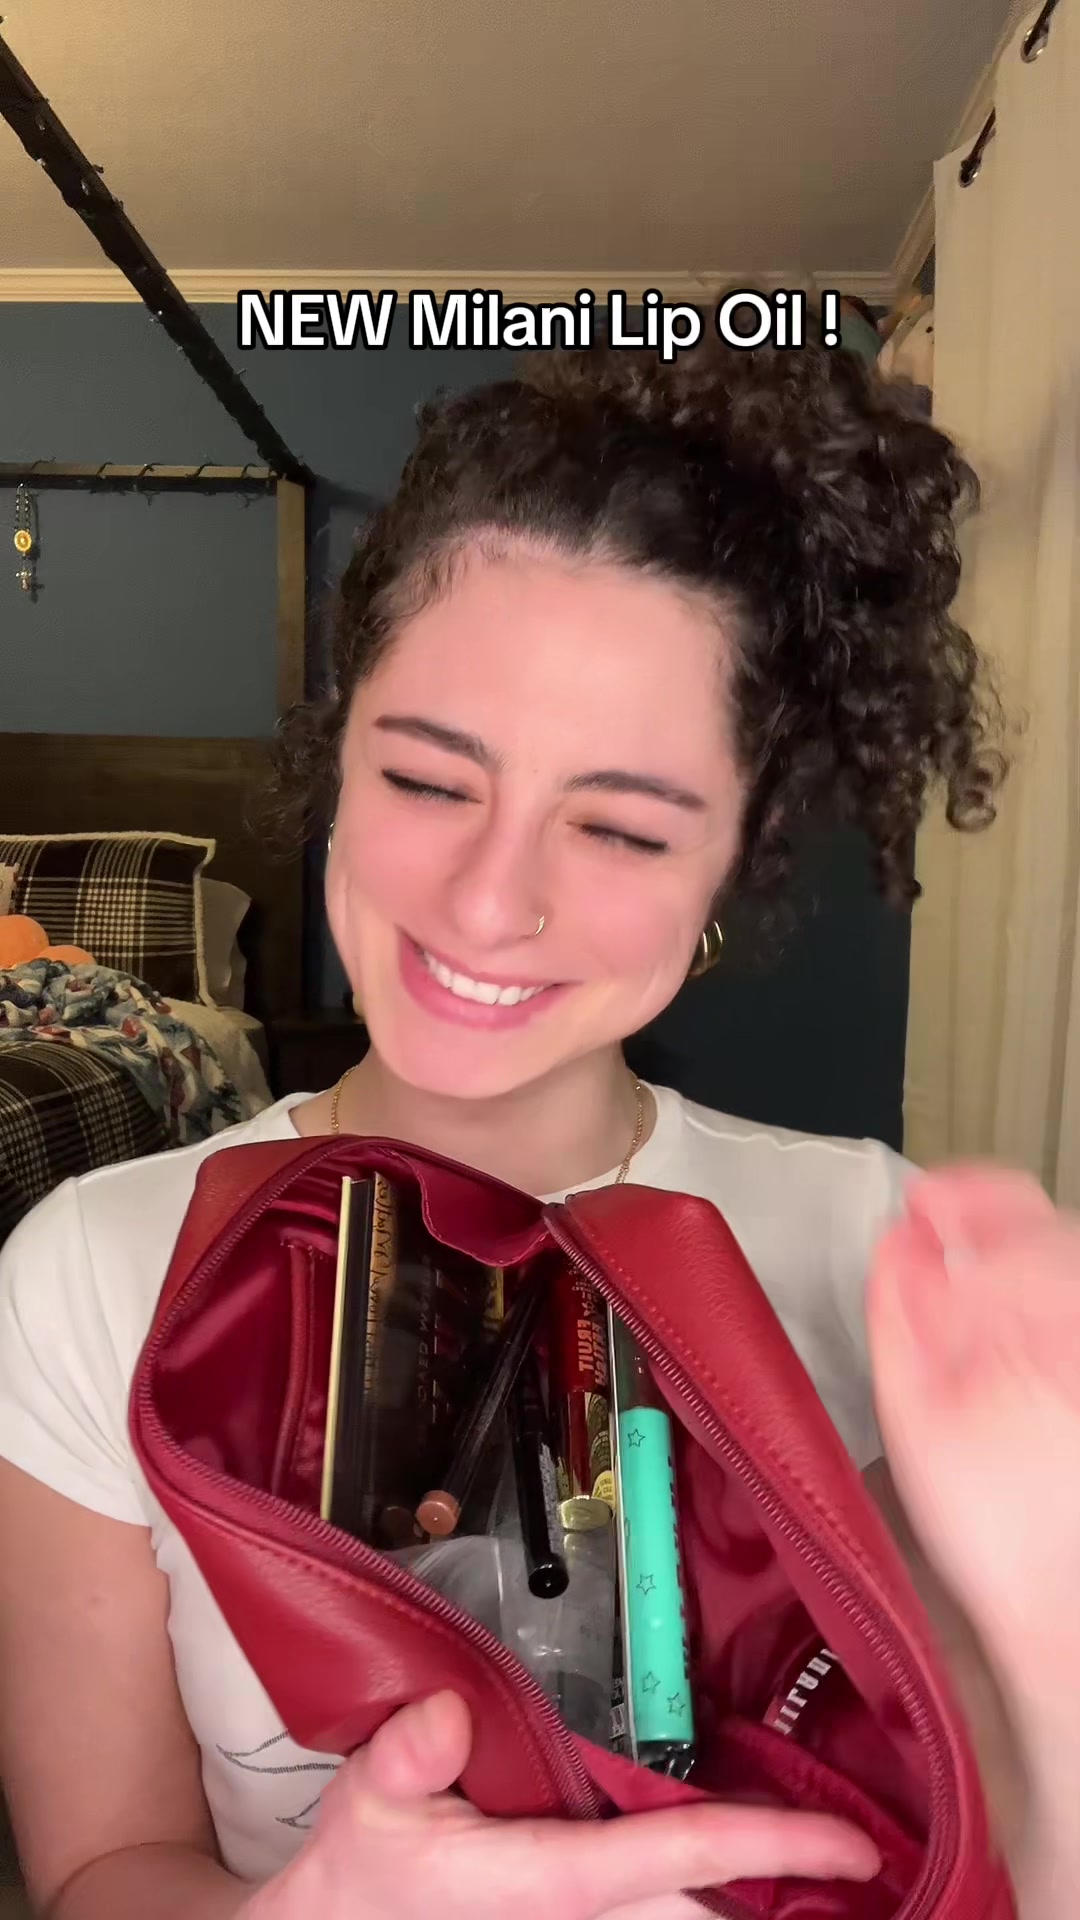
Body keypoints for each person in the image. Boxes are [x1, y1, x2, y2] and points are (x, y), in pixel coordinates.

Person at [0, 327, 1060, 1919]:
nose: (492, 904)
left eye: (621, 827)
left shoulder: (885, 1254)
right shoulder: (92, 1269)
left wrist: (1054, 1612)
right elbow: (98, 1872)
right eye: (431, 783)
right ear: (340, 748)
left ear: (740, 850)